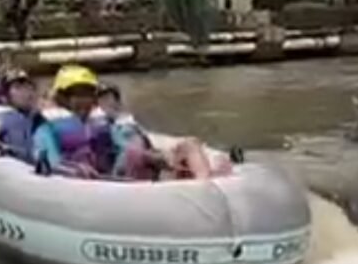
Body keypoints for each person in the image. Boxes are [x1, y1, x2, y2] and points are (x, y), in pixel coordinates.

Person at [95, 83, 229, 180]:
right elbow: (131, 150)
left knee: (191, 144)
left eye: (109, 99)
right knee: (187, 147)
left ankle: (204, 183)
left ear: (118, 103)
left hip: (147, 159)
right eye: (102, 99)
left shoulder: (125, 121)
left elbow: (145, 141)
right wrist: (157, 157)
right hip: (134, 166)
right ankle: (203, 185)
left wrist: (162, 155)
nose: (107, 103)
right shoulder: (102, 123)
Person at [31, 65, 112, 179]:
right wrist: (74, 169)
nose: (85, 100)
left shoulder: (100, 124)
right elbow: (49, 161)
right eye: (77, 94)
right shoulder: (47, 127)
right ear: (62, 97)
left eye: (88, 94)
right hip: (68, 185)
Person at [0, 70, 42, 163]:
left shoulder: (37, 120)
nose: (25, 92)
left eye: (29, 87)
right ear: (5, 95)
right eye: (18, 88)